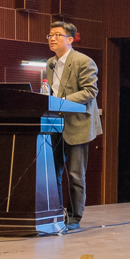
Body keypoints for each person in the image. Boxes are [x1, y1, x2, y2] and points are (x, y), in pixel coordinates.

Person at [43, 21, 102, 231]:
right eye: (50, 35)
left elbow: (90, 91)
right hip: (55, 124)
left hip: (78, 125)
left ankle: (74, 218)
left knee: (75, 175)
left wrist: (61, 101)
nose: (52, 38)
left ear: (70, 39)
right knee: (53, 174)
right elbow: (52, 91)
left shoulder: (84, 61)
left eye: (57, 35)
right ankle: (56, 214)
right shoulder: (50, 63)